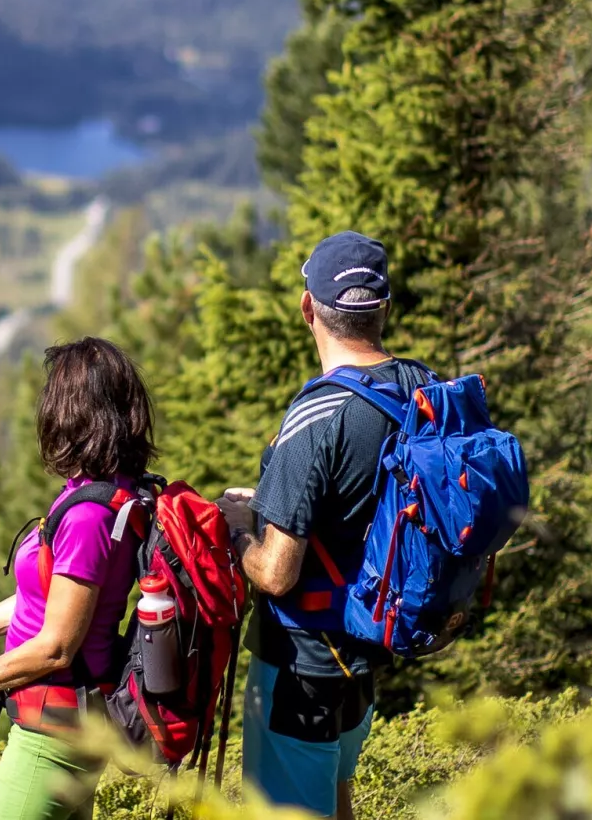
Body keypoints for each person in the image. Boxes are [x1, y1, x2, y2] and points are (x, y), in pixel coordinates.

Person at [216, 231, 435, 820]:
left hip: (301, 664)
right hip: (368, 647)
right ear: (382, 308)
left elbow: (277, 574)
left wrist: (240, 529)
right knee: (337, 797)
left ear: (308, 308)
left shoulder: (315, 416)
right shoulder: (422, 388)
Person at [0, 336, 153, 820]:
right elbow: (45, 600)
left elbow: (57, 645)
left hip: (52, 736)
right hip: (70, 724)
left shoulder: (89, 518)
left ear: (69, 413)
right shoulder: (104, 494)